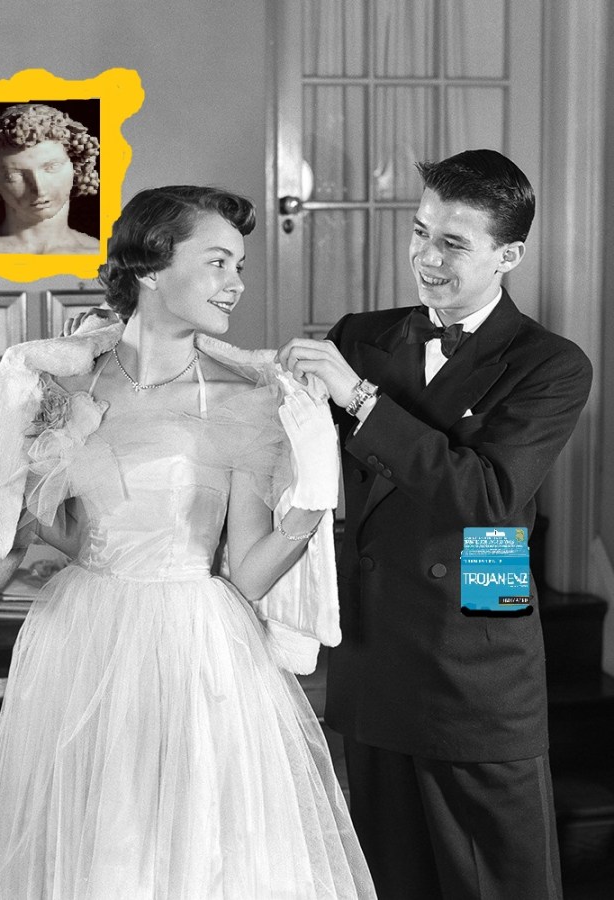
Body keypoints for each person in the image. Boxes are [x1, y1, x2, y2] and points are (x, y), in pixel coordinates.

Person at [0, 185, 376, 899]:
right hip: (81, 633)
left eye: (239, 266)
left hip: (193, 641)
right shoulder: (66, 380)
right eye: (218, 262)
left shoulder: (246, 396)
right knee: (98, 845)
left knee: (194, 850)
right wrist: (30, 479)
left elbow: (250, 575)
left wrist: (313, 500)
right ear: (151, 266)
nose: (237, 283)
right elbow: (71, 533)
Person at [277, 149, 593, 900]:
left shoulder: (552, 363)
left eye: (453, 243)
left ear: (508, 256)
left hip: (475, 662)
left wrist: (361, 400)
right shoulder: (361, 337)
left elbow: (486, 494)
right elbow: (278, 444)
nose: (426, 258)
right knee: (391, 879)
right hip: (374, 647)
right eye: (421, 232)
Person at [0, 103, 100, 255]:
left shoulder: (103, 256)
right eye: (14, 175)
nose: (39, 189)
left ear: (76, 166)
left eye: (52, 167)